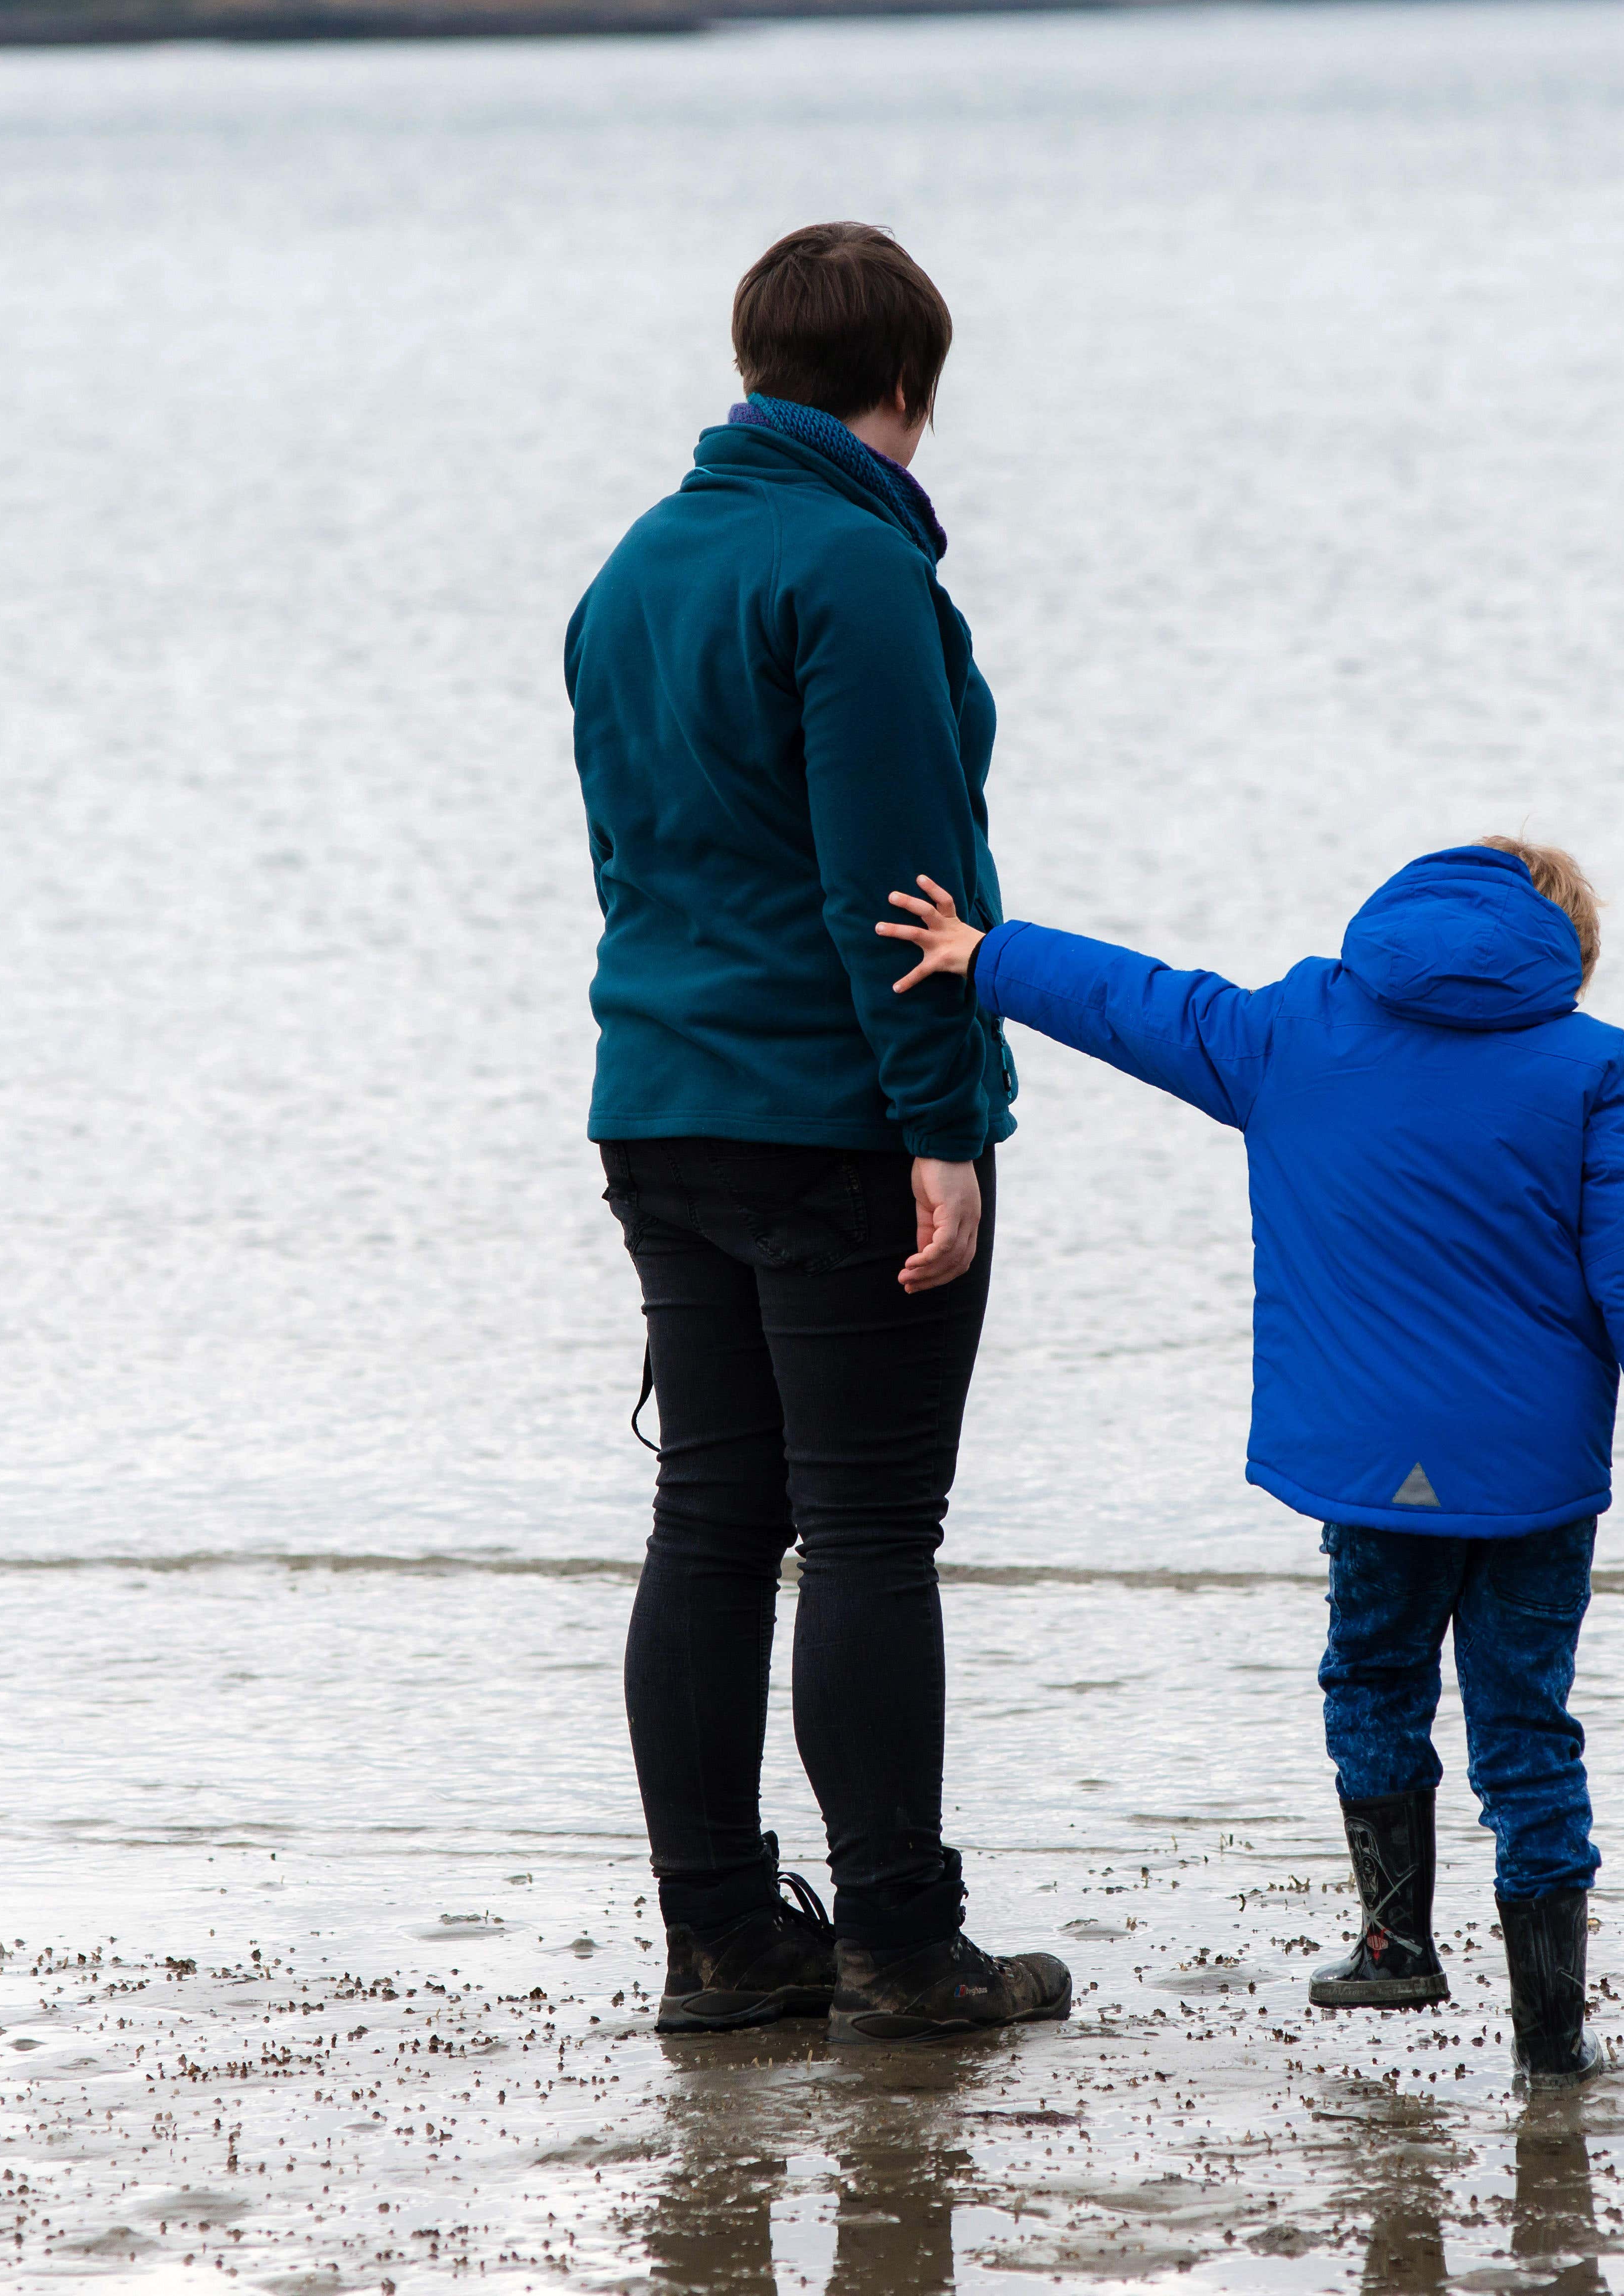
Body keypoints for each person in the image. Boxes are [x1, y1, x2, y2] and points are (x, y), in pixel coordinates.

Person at [877, 839, 1624, 2084]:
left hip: (1372, 1467)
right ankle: (1551, 2038)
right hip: (1530, 1480)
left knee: (1374, 1676)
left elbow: (1137, 1003)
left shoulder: (1291, 1029)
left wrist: (988, 957)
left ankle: (1395, 1942)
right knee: (1527, 1734)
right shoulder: (1586, 1064)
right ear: (1561, 950)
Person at [564, 222, 1068, 2044]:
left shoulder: (634, 567)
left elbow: (634, 854)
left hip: (663, 1100)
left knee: (711, 1517)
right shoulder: (856, 569)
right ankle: (901, 1947)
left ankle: (719, 1940)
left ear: (751, 362)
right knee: (867, 1529)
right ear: (907, 389)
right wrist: (943, 1122)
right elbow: (899, 882)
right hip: (838, 1113)